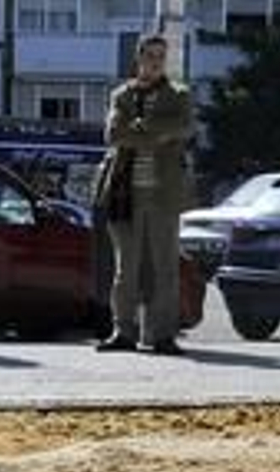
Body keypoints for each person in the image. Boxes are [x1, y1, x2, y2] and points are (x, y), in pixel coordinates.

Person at [96, 34, 193, 356]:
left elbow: (183, 128)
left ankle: (161, 335)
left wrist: (140, 129)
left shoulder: (179, 94)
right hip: (125, 193)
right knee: (127, 268)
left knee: (165, 267)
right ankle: (123, 331)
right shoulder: (121, 95)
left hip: (164, 193)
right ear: (138, 58)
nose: (155, 61)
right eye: (150, 55)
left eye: (160, 56)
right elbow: (113, 134)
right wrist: (155, 133)